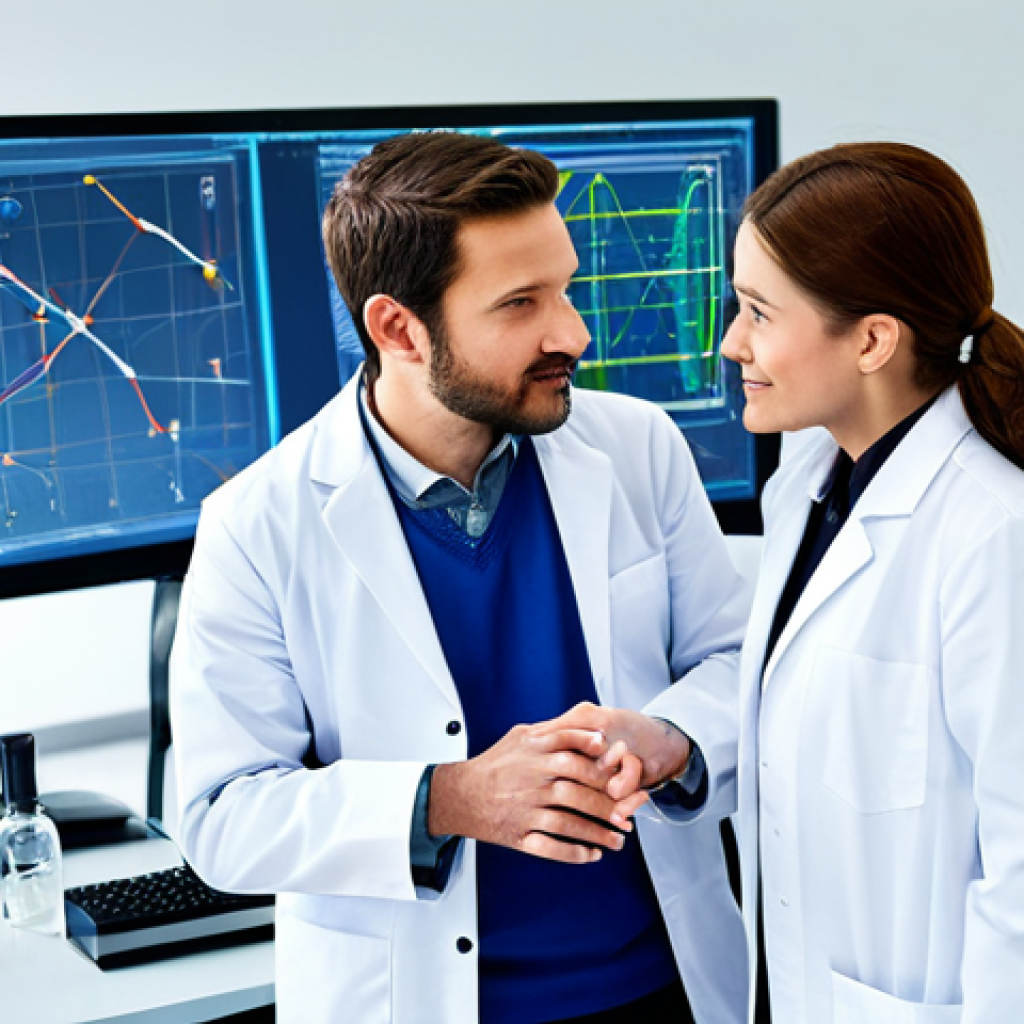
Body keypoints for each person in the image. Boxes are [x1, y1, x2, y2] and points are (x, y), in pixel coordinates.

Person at [169, 130, 752, 1024]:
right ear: (398, 328)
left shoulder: (637, 448)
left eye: (565, 288)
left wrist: (670, 737)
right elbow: (219, 817)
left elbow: (739, 667)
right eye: (521, 304)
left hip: (664, 988)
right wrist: (452, 798)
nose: (574, 333)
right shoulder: (259, 523)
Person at [549, 142, 1024, 1023]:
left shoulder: (995, 537)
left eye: (759, 313)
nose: (731, 343)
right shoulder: (810, 483)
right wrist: (677, 742)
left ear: (874, 339)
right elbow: (814, 738)